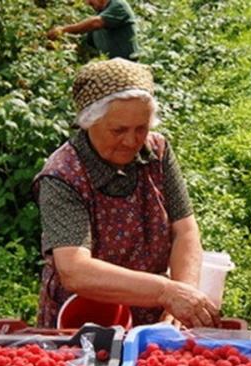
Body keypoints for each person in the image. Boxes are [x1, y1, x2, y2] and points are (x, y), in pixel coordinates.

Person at [33, 58, 219, 328]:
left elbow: (185, 230)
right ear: (89, 122)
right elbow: (74, 270)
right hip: (85, 320)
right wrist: (166, 292)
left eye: (141, 128)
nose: (131, 141)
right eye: (118, 130)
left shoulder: (158, 151)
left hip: (153, 314)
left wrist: (183, 293)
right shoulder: (63, 175)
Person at [47, 0, 140, 61]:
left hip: (128, 65)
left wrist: (63, 30)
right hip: (110, 66)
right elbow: (85, 42)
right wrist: (64, 47)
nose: (87, 3)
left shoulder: (118, 4)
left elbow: (95, 23)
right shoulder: (100, 14)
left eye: (90, 1)